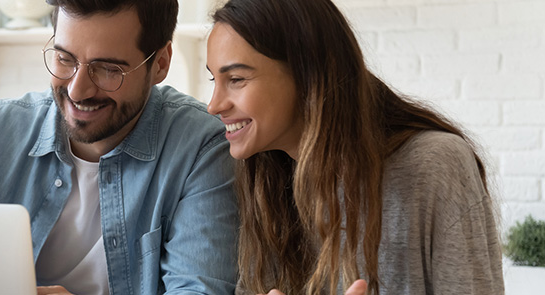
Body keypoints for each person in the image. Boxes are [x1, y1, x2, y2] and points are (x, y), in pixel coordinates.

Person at [204, 0, 504, 294]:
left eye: (236, 79)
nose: (214, 105)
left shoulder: (435, 165)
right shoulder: (266, 179)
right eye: (213, 79)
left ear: (308, 74)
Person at [0, 0, 239, 294]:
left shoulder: (200, 147)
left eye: (108, 69)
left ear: (160, 64)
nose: (77, 90)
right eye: (64, 59)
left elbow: (198, 290)